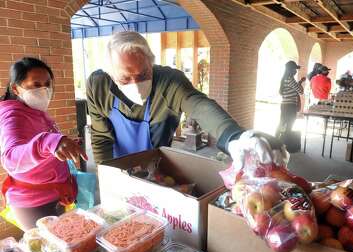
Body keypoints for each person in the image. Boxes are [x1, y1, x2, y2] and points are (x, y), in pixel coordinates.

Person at [86, 31, 288, 171]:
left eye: (144, 74)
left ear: (151, 62)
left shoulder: (169, 82)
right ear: (111, 74)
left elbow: (200, 106)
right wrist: (107, 174)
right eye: (125, 78)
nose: (136, 84)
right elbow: (101, 138)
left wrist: (234, 137)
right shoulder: (98, 86)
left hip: (154, 166)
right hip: (116, 164)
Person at [0, 57, 87, 231]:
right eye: (36, 84)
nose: (44, 90)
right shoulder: (12, 116)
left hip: (55, 193)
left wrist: (63, 144)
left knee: (65, 245)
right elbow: (10, 158)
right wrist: (47, 142)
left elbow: (45, 145)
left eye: (47, 84)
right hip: (34, 202)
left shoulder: (35, 111)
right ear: (16, 88)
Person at [276, 61, 305, 138]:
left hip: (285, 105)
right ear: (290, 70)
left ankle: (276, 141)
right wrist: (301, 83)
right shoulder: (290, 79)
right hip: (290, 106)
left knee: (282, 124)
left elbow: (294, 88)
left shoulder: (285, 78)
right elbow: (301, 91)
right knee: (289, 126)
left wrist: (300, 82)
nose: (295, 71)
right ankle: (284, 143)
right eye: (294, 69)